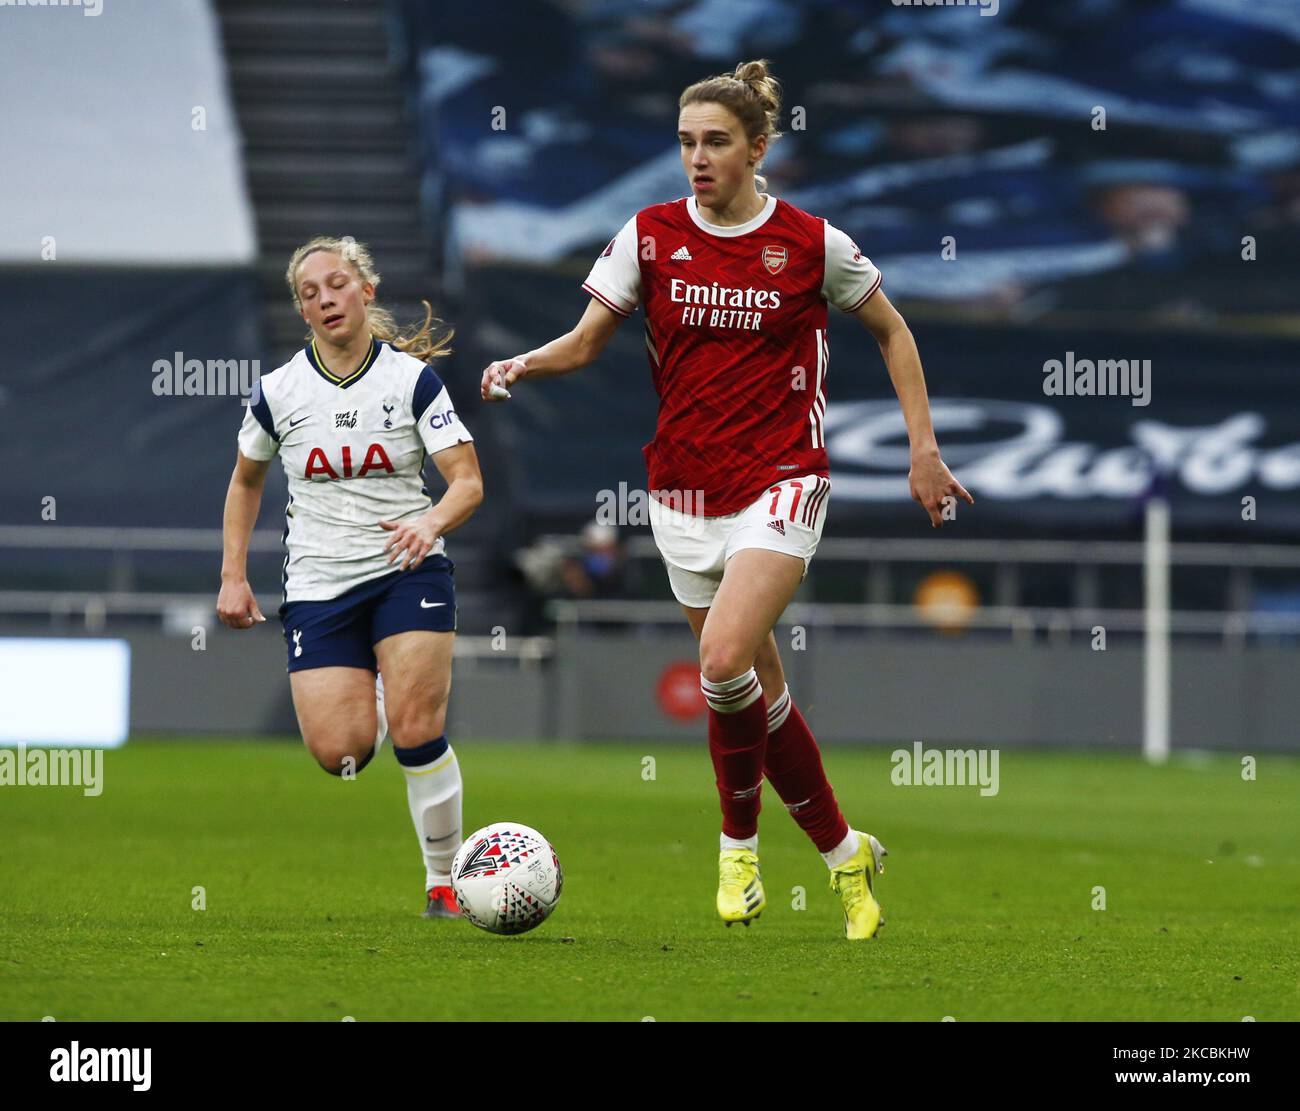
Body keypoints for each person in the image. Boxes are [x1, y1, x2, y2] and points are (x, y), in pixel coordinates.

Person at [481, 60, 973, 939]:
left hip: (784, 477)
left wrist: (923, 451)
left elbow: (894, 331)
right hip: (681, 489)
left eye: (715, 142)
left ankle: (736, 845)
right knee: (755, 690)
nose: (697, 158)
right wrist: (526, 361)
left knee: (721, 659)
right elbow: (589, 340)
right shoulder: (649, 235)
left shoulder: (813, 243)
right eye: (685, 143)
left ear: (756, 148)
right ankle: (842, 854)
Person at [217, 236, 484, 919]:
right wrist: (234, 576)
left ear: (365, 291)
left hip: (408, 569)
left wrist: (430, 525)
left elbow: (466, 482)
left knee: (418, 727)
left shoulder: (412, 381)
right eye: (309, 292)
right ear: (302, 312)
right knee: (342, 752)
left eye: (337, 283)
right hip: (318, 583)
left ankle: (443, 882)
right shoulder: (279, 393)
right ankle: (386, 695)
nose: (325, 298)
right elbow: (246, 482)